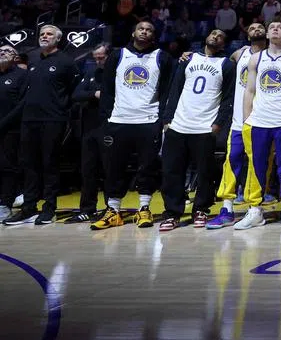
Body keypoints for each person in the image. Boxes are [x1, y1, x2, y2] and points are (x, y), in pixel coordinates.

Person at [92, 21, 173, 230]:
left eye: (149, 29)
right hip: (118, 120)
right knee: (114, 168)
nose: (144, 31)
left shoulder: (161, 57)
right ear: (133, 32)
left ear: (153, 35)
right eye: (141, 28)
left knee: (147, 167)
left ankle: (144, 208)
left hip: (148, 120)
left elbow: (166, 91)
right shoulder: (118, 56)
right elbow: (107, 89)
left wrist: (162, 118)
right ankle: (113, 210)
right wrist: (105, 120)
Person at [1, 27, 80, 226]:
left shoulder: (66, 62)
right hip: (29, 120)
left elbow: (73, 93)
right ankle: (28, 208)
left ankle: (49, 209)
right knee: (29, 164)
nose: (44, 36)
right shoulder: (33, 61)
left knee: (49, 164)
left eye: (49, 34)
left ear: (58, 39)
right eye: (42, 34)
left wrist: (63, 113)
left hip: (53, 120)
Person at [157, 29, 235, 231]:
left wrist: (218, 123)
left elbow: (228, 98)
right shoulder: (188, 59)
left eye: (220, 36)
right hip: (179, 124)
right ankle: (173, 213)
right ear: (206, 37)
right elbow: (175, 89)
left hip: (205, 126)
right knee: (172, 172)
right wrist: (167, 119)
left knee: (205, 173)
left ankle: (200, 209)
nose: (215, 36)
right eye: (213, 33)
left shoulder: (226, 64)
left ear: (223, 45)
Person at [235, 19, 281, 230]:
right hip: (259, 122)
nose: (275, 29)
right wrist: (247, 119)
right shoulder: (256, 59)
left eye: (280, 27)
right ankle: (255, 210)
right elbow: (249, 90)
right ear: (267, 35)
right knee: (256, 166)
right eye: (271, 28)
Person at [207, 22, 265, 229]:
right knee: (231, 161)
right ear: (246, 34)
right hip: (238, 121)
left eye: (260, 27)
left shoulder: (274, 54)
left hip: (264, 121)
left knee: (258, 165)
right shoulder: (239, 55)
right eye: (252, 28)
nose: (256, 29)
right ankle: (227, 208)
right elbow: (214, 62)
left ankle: (255, 208)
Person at [66, 43, 109, 223]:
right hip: (90, 128)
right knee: (88, 170)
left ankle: (111, 208)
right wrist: (95, 94)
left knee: (109, 170)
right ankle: (87, 208)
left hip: (109, 127)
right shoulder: (91, 73)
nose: (98, 61)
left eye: (101, 57)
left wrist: (97, 94)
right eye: (95, 58)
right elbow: (76, 95)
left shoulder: (117, 73)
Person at [0, 44, 28, 223]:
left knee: (7, 168)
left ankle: (5, 205)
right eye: (0, 50)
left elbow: (22, 104)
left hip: (10, 129)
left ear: (16, 58)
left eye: (8, 51)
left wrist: (3, 123)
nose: (3, 52)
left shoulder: (21, 75)